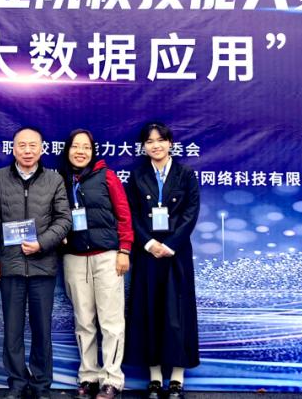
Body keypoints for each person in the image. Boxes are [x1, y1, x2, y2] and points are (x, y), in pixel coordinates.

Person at [0, 126, 72, 399]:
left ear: (42, 149)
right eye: (22, 145)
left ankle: (41, 384)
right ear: (13, 149)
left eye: (33, 145)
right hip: (9, 265)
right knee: (12, 330)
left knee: (42, 329)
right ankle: (17, 383)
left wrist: (41, 243)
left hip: (43, 266)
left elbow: (64, 220)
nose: (27, 150)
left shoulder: (54, 180)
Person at [124, 122, 200, 399]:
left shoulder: (185, 174)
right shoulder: (137, 176)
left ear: (170, 143)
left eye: (160, 140)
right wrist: (148, 243)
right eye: (149, 141)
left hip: (176, 254)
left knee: (178, 314)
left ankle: (177, 378)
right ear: (143, 147)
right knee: (149, 312)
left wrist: (170, 245)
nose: (155, 145)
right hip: (147, 253)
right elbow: (131, 214)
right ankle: (155, 377)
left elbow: (191, 212)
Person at [58, 129, 134, 399]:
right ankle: (88, 376)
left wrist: (124, 250)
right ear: (67, 150)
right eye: (75, 147)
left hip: (107, 257)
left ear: (93, 151)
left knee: (111, 322)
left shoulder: (107, 176)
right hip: (74, 259)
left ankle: (112, 379)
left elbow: (124, 215)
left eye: (86, 147)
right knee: (84, 322)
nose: (80, 152)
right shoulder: (60, 179)